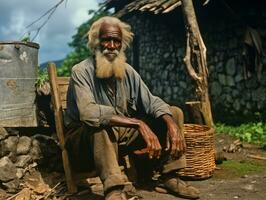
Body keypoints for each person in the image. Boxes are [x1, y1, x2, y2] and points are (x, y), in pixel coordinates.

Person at [65, 16, 200, 200]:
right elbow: (89, 113)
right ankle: (114, 190)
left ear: (122, 44)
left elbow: (152, 102)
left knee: (173, 112)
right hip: (83, 145)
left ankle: (170, 175)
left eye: (116, 41)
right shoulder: (81, 71)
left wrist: (171, 123)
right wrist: (138, 124)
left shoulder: (127, 71)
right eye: (106, 39)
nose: (111, 45)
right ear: (96, 42)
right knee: (100, 125)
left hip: (118, 137)